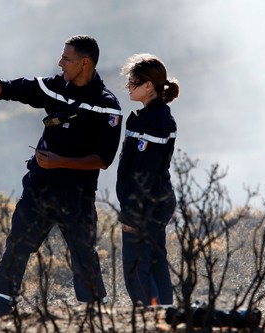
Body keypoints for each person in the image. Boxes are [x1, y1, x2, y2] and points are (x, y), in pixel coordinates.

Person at [0, 35, 122, 321]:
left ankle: (95, 316)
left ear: (85, 62)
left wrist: (60, 163)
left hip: (76, 197)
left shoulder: (107, 105)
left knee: (83, 254)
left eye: (67, 58)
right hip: (38, 189)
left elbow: (103, 159)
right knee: (17, 247)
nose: (60, 63)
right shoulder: (53, 88)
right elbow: (5, 88)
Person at [115, 53, 179, 307]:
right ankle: (166, 316)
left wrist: (132, 213)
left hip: (145, 205)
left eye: (132, 81)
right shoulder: (150, 117)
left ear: (148, 85)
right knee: (154, 261)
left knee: (135, 267)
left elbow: (146, 172)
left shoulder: (157, 121)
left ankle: (151, 319)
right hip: (155, 201)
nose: (128, 86)